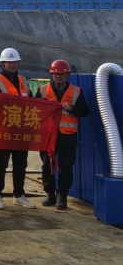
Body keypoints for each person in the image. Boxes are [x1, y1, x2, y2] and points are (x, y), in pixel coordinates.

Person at [0, 48, 35, 210]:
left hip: (21, 131)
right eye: (9, 62)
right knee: (1, 164)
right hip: (4, 131)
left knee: (20, 164)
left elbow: (33, 102)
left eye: (15, 62)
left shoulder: (24, 81)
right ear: (3, 63)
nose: (12, 65)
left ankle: (19, 195)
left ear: (18, 63)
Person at [36, 59, 89, 210]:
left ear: (68, 75)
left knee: (66, 167)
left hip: (67, 136)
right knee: (47, 166)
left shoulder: (76, 91)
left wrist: (72, 109)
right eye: (55, 74)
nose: (58, 76)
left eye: (61, 74)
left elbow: (85, 111)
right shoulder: (43, 90)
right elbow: (34, 109)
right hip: (48, 136)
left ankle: (62, 196)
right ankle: (50, 194)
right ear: (51, 75)